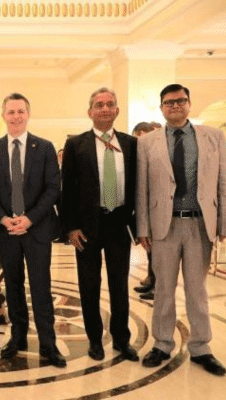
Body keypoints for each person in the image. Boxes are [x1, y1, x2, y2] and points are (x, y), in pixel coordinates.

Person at [137, 84, 226, 376]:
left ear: (189, 103)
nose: (175, 106)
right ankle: (162, 343)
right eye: (169, 102)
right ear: (161, 108)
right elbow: (142, 188)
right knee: (164, 290)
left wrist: (225, 222)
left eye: (180, 101)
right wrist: (143, 227)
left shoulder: (212, 137)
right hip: (163, 226)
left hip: (198, 224)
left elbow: (223, 181)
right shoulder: (148, 142)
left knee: (197, 290)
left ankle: (202, 347)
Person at [0, 93, 66, 367]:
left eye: (20, 111)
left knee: (41, 287)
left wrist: (29, 218)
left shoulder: (44, 147)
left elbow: (53, 188)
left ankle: (48, 343)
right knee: (13, 286)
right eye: (11, 112)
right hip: (6, 231)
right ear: (3, 115)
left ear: (28, 114)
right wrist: (4, 218)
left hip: (37, 229)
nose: (16, 116)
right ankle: (17, 338)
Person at [61, 88, 139, 362]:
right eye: (98, 105)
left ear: (116, 110)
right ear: (90, 112)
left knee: (119, 286)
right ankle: (95, 340)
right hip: (86, 228)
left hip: (118, 224)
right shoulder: (75, 145)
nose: (104, 108)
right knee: (89, 286)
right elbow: (67, 190)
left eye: (109, 104)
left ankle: (121, 339)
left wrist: (139, 227)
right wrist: (71, 227)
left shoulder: (131, 144)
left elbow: (138, 188)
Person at [132, 122, 160, 301]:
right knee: (151, 250)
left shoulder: (158, 152)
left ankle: (158, 287)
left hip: (158, 210)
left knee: (159, 252)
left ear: (142, 134)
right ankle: (152, 280)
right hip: (147, 209)